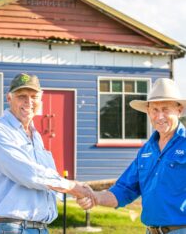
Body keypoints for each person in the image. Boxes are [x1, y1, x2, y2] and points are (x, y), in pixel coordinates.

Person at [0, 73, 94, 234]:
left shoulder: (36, 136)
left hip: (39, 228)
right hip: (12, 228)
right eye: (22, 96)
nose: (29, 102)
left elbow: (45, 183)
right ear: (9, 98)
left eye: (34, 96)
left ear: (41, 100)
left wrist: (78, 194)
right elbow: (28, 173)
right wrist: (72, 187)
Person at [77, 78, 186, 234]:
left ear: (179, 110)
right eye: (155, 110)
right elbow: (124, 190)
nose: (160, 116)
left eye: (165, 109)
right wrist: (94, 197)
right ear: (148, 111)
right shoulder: (146, 151)